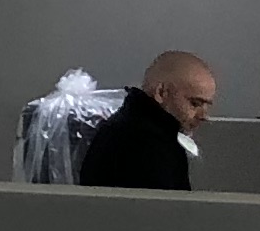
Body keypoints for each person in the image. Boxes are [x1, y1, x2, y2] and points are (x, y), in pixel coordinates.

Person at [77, 50, 217, 192]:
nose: (203, 115)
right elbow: (166, 205)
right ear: (161, 93)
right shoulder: (149, 146)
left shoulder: (125, 126)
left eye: (206, 105)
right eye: (195, 103)